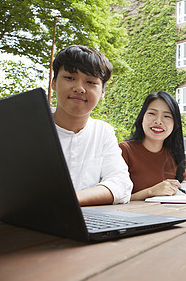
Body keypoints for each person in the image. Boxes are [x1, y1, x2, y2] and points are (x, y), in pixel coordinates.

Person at [51, 45, 133, 206]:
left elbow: (121, 184)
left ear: (102, 93)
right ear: (54, 83)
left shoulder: (103, 131)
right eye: (69, 78)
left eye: (90, 82)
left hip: (84, 221)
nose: (79, 88)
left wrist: (71, 200)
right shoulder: (30, 125)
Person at [119, 91, 186, 201]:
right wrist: (151, 191)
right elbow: (113, 200)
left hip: (170, 216)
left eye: (167, 116)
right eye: (152, 113)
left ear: (175, 124)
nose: (158, 121)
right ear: (142, 117)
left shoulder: (174, 155)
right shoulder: (124, 151)